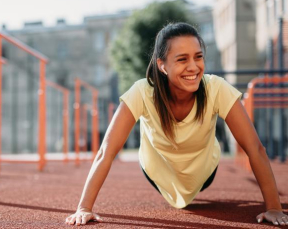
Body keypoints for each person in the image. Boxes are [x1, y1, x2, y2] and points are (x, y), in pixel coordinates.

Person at [65, 22, 288, 226]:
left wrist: (274, 208)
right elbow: (106, 152)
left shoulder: (216, 88)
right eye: (182, 59)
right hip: (157, 171)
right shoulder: (142, 92)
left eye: (198, 57)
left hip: (203, 172)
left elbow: (255, 148)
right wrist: (84, 208)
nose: (193, 67)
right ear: (162, 66)